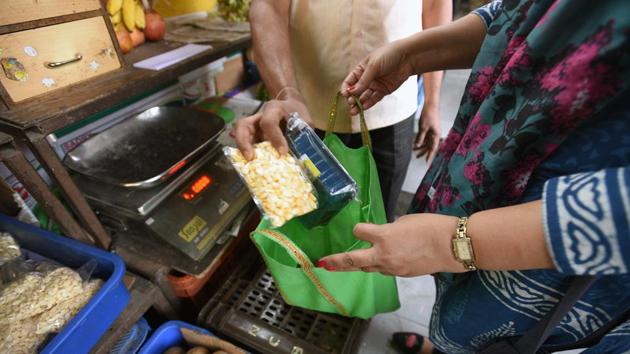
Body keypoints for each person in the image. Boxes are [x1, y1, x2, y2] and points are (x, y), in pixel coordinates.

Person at [315, 0, 630, 353]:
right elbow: (522, 13)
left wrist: (452, 244)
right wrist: (410, 56)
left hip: (554, 255)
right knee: (460, 317)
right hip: (483, 206)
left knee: (505, 342)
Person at [233, 0, 452, 222]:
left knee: (379, 219)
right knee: (311, 222)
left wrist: (432, 101)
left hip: (393, 109)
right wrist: (285, 93)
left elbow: (435, 5)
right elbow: (268, 6)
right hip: (305, 113)